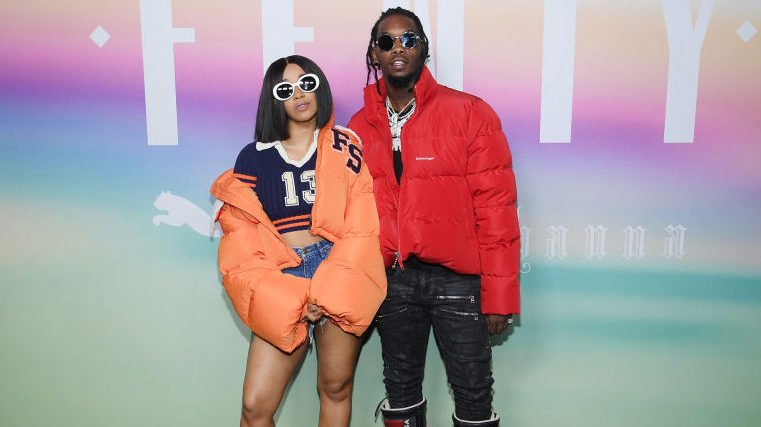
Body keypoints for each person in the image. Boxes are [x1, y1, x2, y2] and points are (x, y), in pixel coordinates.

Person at [348, 8, 521, 427]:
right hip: (393, 281)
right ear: (374, 54)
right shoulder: (358, 125)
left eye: (409, 39)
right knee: (400, 387)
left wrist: (499, 296)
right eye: (386, 41)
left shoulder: (470, 112)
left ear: (424, 48)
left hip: (458, 282)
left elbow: (496, 208)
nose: (398, 48)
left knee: (474, 391)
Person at [210, 55, 386, 427]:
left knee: (335, 387)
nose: (299, 95)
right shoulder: (254, 157)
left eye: (307, 84)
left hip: (338, 267)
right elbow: (242, 237)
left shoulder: (344, 145)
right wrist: (288, 295)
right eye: (285, 89)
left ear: (319, 86)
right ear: (273, 99)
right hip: (281, 274)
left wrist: (330, 287)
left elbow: (361, 221)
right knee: (255, 408)